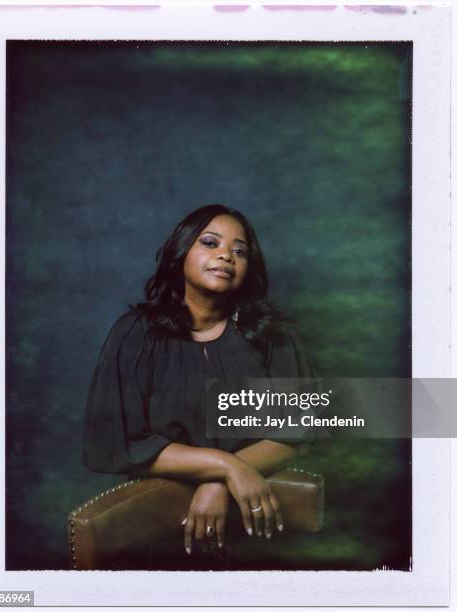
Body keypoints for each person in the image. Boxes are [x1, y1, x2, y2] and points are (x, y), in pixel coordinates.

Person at [83, 204, 315, 561]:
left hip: (260, 529)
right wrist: (227, 468)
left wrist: (215, 483)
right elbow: (121, 443)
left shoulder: (273, 336)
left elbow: (295, 434)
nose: (226, 254)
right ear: (180, 255)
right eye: (210, 242)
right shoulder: (135, 333)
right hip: (158, 524)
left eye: (240, 251)